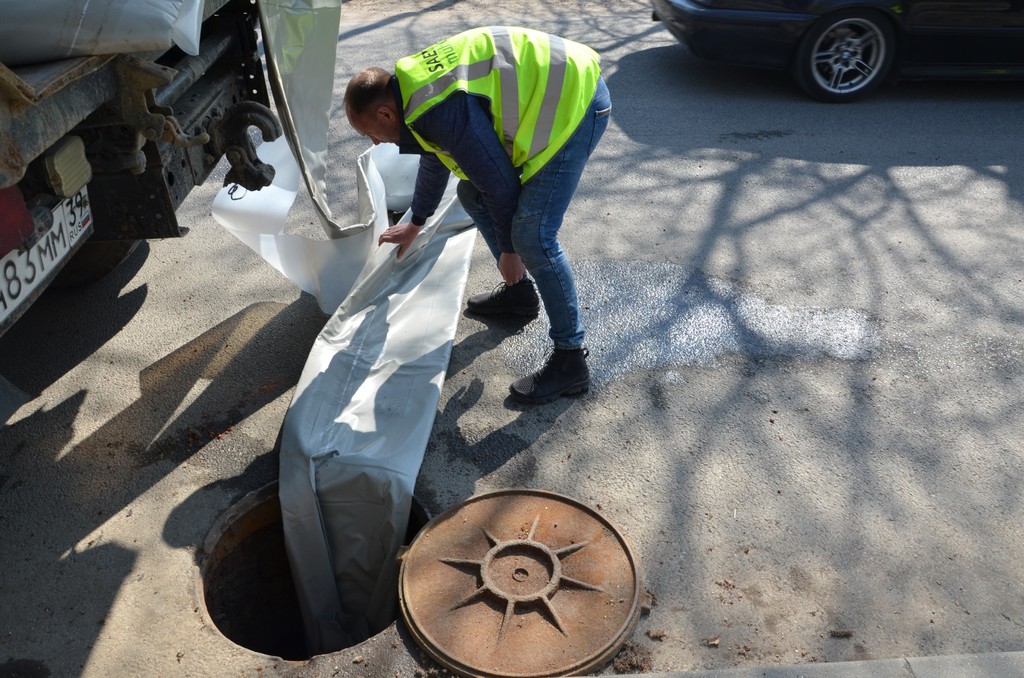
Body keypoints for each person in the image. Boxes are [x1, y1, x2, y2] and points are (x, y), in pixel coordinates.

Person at [343, 26, 611, 403]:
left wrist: (509, 251)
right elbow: (436, 157)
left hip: (575, 102)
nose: (374, 142)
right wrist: (416, 222)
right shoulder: (412, 93)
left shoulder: (437, 109)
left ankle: (571, 360)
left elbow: (500, 184)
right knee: (471, 193)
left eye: (369, 133)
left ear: (385, 113)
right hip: (561, 84)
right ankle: (521, 298)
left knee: (532, 236)